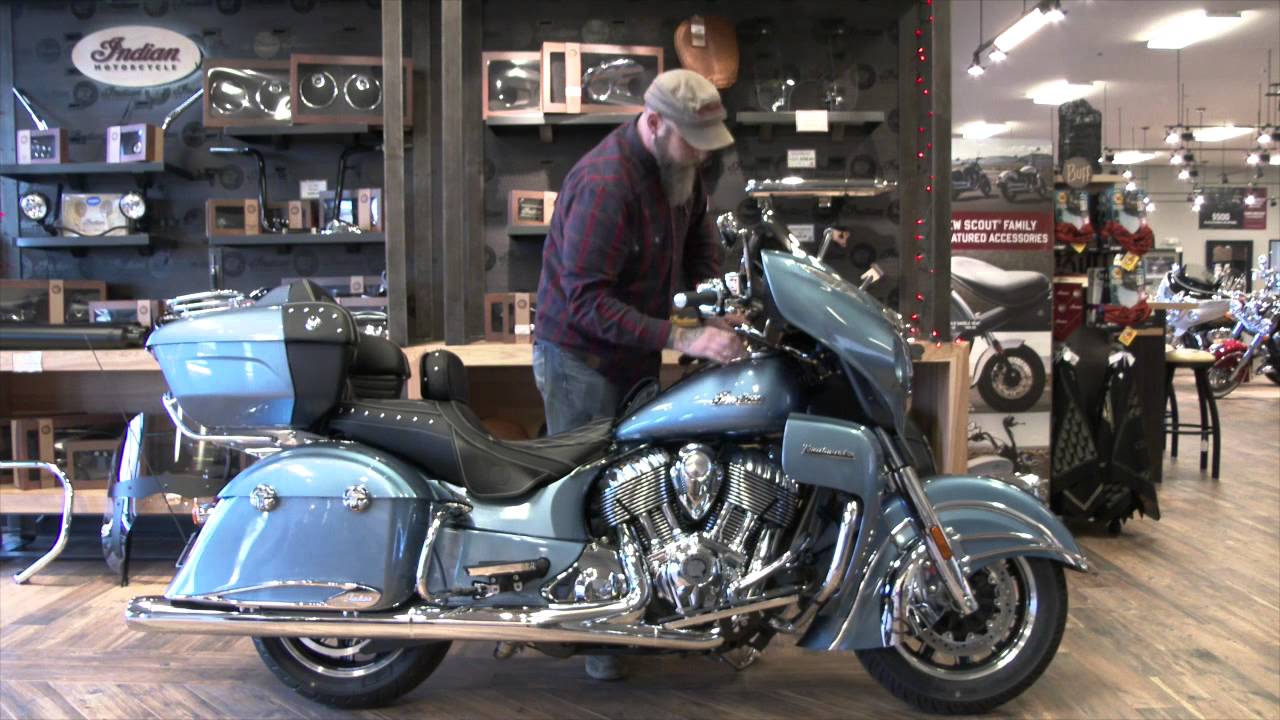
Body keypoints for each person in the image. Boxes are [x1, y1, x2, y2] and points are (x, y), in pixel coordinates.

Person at [532, 69, 744, 680]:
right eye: (693, 142)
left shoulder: (680, 171)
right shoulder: (605, 183)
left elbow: (699, 247)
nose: (703, 155)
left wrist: (713, 304)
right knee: (588, 499)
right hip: (582, 362)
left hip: (632, 355)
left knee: (634, 490)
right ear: (653, 123)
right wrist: (684, 336)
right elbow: (585, 303)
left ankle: (636, 615)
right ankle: (594, 638)